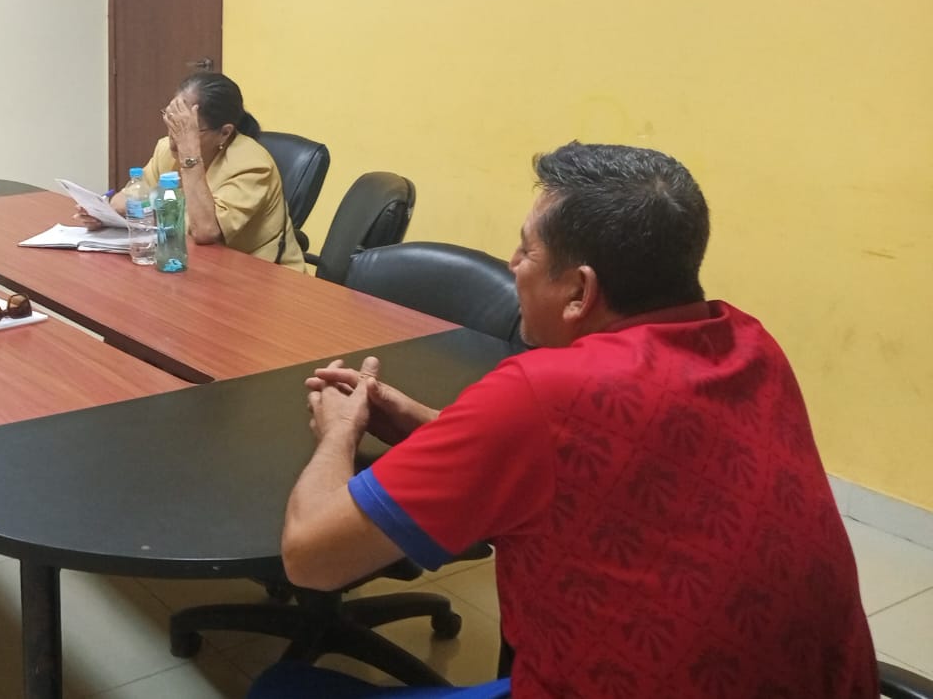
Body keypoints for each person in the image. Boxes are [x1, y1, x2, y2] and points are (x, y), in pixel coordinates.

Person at [259, 143, 876, 698]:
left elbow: (310, 559)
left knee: (279, 687)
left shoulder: (540, 394)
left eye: (526, 248)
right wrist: (428, 424)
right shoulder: (751, 345)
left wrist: (339, 432)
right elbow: (599, 467)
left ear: (581, 291)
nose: (512, 262)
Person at [82, 73, 304, 271]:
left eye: (186, 129)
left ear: (225, 133)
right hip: (195, 265)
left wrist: (189, 153)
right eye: (172, 121)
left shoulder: (252, 165)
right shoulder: (165, 150)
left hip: (260, 276)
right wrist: (105, 213)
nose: (173, 137)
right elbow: (131, 195)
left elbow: (205, 231)